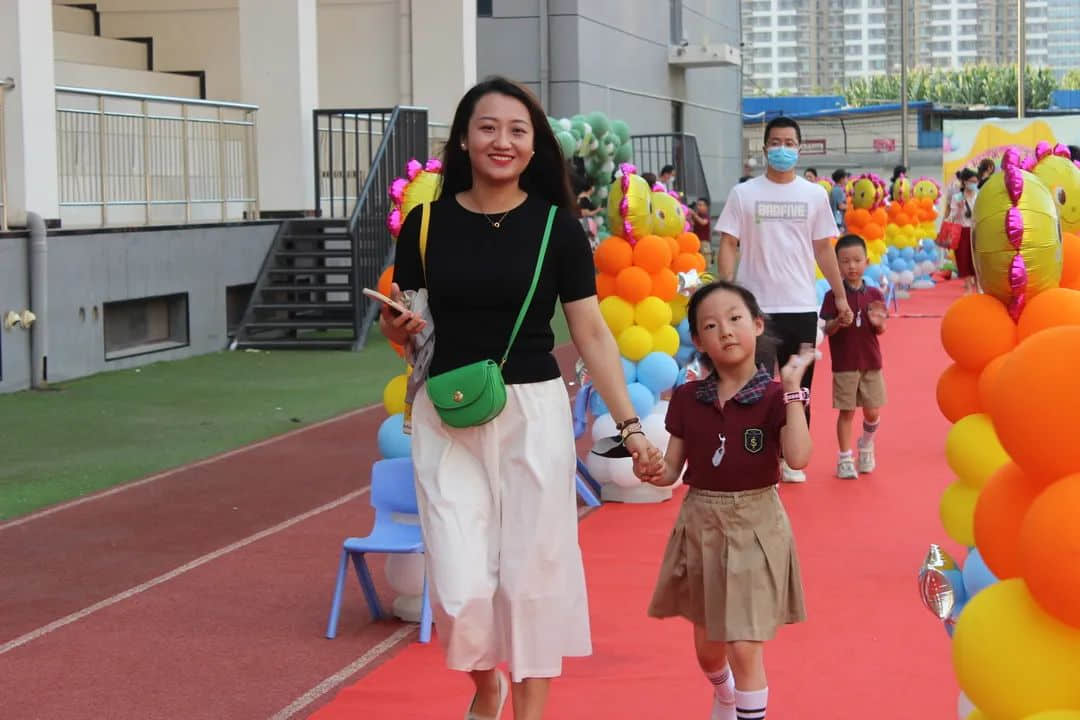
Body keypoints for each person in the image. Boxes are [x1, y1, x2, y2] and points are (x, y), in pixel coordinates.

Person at [381, 76, 662, 720]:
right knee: (456, 582)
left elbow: (588, 330)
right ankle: (486, 685)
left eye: (517, 131)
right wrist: (394, 329)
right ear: (463, 139)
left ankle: (530, 709)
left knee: (534, 570)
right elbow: (407, 320)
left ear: (534, 148)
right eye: (487, 127)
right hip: (444, 412)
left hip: (532, 409)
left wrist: (632, 427)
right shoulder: (425, 224)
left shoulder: (557, 229)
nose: (501, 141)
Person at [641, 281, 812, 720]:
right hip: (702, 521)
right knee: (709, 648)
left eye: (736, 319)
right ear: (698, 341)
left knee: (743, 641)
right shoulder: (687, 398)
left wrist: (793, 390)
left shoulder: (776, 397)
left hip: (757, 522)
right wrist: (650, 467)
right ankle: (723, 692)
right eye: (711, 325)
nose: (727, 331)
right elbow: (672, 470)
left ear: (757, 325)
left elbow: (797, 456)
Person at [714, 116, 852, 483]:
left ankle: (793, 457)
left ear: (799, 148)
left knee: (800, 388)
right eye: (775, 142)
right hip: (754, 309)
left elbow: (824, 249)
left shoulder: (814, 195)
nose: (782, 149)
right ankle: (758, 454)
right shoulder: (745, 193)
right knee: (753, 386)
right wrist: (725, 292)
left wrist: (840, 297)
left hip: (801, 307)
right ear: (764, 149)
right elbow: (729, 243)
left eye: (789, 143)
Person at [820, 235, 888, 480]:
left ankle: (866, 444)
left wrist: (878, 324)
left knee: (872, 411)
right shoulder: (832, 296)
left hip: (871, 362)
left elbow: (880, 328)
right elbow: (826, 329)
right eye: (845, 261)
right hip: (845, 364)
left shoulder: (874, 293)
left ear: (867, 262)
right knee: (846, 411)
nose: (851, 266)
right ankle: (845, 457)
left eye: (857, 260)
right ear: (836, 265)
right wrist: (838, 321)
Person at [946, 168, 979, 294]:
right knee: (963, 259)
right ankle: (968, 286)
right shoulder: (957, 197)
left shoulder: (979, 195)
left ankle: (978, 285)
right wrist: (959, 210)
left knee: (975, 259)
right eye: (971, 181)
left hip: (975, 231)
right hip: (962, 231)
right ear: (964, 182)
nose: (974, 184)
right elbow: (952, 216)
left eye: (976, 181)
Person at [690, 197, 713, 268]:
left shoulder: (705, 216)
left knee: (705, 260)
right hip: (696, 241)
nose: (698, 207)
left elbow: (703, 222)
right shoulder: (697, 215)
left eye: (701, 205)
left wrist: (694, 215)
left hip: (704, 242)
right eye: (698, 205)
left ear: (706, 207)